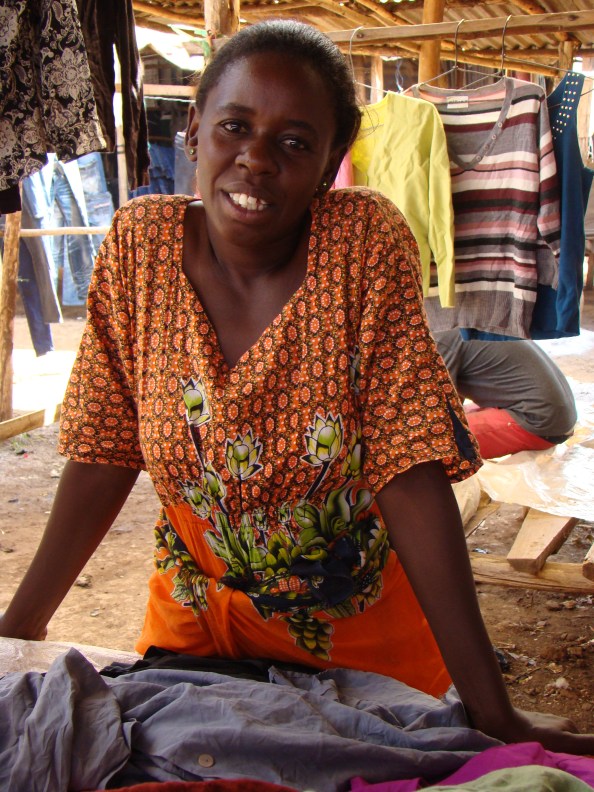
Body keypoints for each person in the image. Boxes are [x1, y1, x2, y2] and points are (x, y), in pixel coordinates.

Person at [1, 20, 592, 756]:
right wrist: (18, 632)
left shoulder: (360, 246)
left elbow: (408, 472)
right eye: (235, 126)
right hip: (195, 633)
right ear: (194, 129)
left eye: (293, 142)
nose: (255, 160)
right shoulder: (139, 249)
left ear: (330, 162)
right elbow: (104, 452)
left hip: (360, 647)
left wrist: (493, 711)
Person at [433, 329, 578, 459]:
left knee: (427, 441)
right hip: (553, 415)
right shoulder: (454, 323)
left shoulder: (438, 339)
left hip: (540, 423)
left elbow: (434, 408)